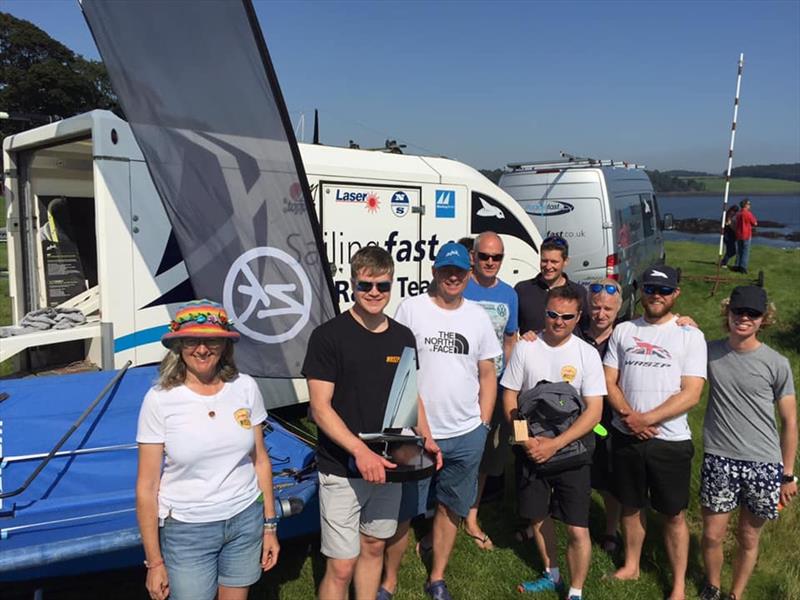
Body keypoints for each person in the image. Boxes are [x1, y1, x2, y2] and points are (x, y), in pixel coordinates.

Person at [302, 247, 436, 600]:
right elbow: (319, 408)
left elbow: (411, 396)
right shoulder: (328, 336)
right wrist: (360, 452)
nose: (374, 293)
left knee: (375, 545)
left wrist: (428, 437)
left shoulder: (403, 337)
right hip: (342, 466)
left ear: (392, 284)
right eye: (366, 285)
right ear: (352, 284)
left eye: (382, 285)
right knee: (342, 565)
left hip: (388, 462)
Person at [136, 300, 279, 600]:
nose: (202, 349)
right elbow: (147, 486)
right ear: (179, 346)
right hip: (188, 528)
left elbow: (260, 461)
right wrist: (154, 562)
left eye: (211, 340)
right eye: (192, 340)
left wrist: (269, 525)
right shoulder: (159, 400)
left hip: (244, 519)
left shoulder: (245, 387)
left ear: (225, 345)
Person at [381, 242, 501, 600]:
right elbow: (398, 368)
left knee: (451, 506)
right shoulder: (411, 309)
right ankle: (388, 580)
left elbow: (488, 374)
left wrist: (482, 425)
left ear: (469, 274)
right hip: (415, 433)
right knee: (404, 512)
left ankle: (437, 577)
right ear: (434, 272)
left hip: (466, 432)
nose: (453, 276)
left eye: (460, 271)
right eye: (446, 270)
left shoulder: (478, 316)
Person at [603, 266, 707, 600]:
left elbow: (692, 393)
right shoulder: (624, 331)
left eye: (664, 290)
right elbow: (608, 380)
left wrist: (646, 419)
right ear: (642, 290)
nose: (656, 296)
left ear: (676, 293)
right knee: (631, 506)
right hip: (626, 433)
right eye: (650, 289)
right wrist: (628, 416)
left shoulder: (690, 335)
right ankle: (632, 565)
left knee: (673, 514)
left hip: (670, 441)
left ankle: (678, 585)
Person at [501, 285, 605, 600]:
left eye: (566, 317)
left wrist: (555, 444)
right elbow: (510, 397)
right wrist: (525, 441)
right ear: (545, 311)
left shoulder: (586, 354)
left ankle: (575, 591)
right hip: (531, 450)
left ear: (579, 318)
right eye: (552, 314)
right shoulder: (525, 347)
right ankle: (552, 573)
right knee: (537, 514)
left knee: (577, 527)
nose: (558, 322)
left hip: (572, 452)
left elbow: (594, 413)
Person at [699, 286, 797, 600]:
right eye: (738, 311)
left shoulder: (777, 363)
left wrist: (787, 474)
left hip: (764, 463)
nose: (744, 318)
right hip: (719, 457)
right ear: (727, 312)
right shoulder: (708, 351)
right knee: (712, 534)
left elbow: (790, 422)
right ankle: (712, 587)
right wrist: (682, 323)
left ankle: (736, 594)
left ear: (763, 319)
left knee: (748, 536)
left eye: (752, 314)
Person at [462, 231, 519, 550]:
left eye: (496, 257)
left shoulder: (510, 295)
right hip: (459, 386)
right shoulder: (459, 284)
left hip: (494, 387)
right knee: (454, 451)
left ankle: (471, 516)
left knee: (486, 454)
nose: (490, 262)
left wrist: (508, 382)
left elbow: (510, 340)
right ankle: (440, 513)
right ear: (473, 256)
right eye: (484, 256)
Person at [515, 235, 588, 337]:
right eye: (544, 261)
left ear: (566, 261)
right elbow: (511, 331)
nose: (548, 266)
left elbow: (586, 329)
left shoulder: (578, 292)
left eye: (554, 262)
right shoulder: (522, 290)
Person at [734, 198, 758, 273]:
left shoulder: (738, 214)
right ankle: (743, 267)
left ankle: (737, 265)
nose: (750, 206)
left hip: (739, 234)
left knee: (739, 251)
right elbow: (755, 223)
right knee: (745, 251)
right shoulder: (748, 213)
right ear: (745, 205)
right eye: (749, 204)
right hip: (746, 234)